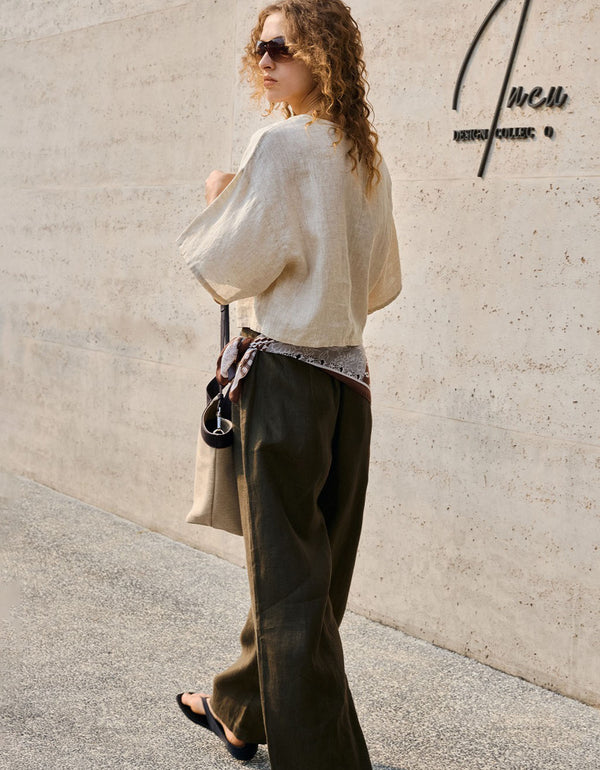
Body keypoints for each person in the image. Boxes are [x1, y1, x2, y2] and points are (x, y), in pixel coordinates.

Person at [175, 1, 401, 768]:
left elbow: (230, 266)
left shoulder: (277, 144)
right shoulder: (364, 156)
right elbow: (378, 281)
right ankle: (240, 707)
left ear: (322, 56)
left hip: (285, 384)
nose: (264, 59)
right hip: (349, 388)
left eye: (280, 45)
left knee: (291, 587)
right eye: (258, 46)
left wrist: (219, 196)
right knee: (313, 579)